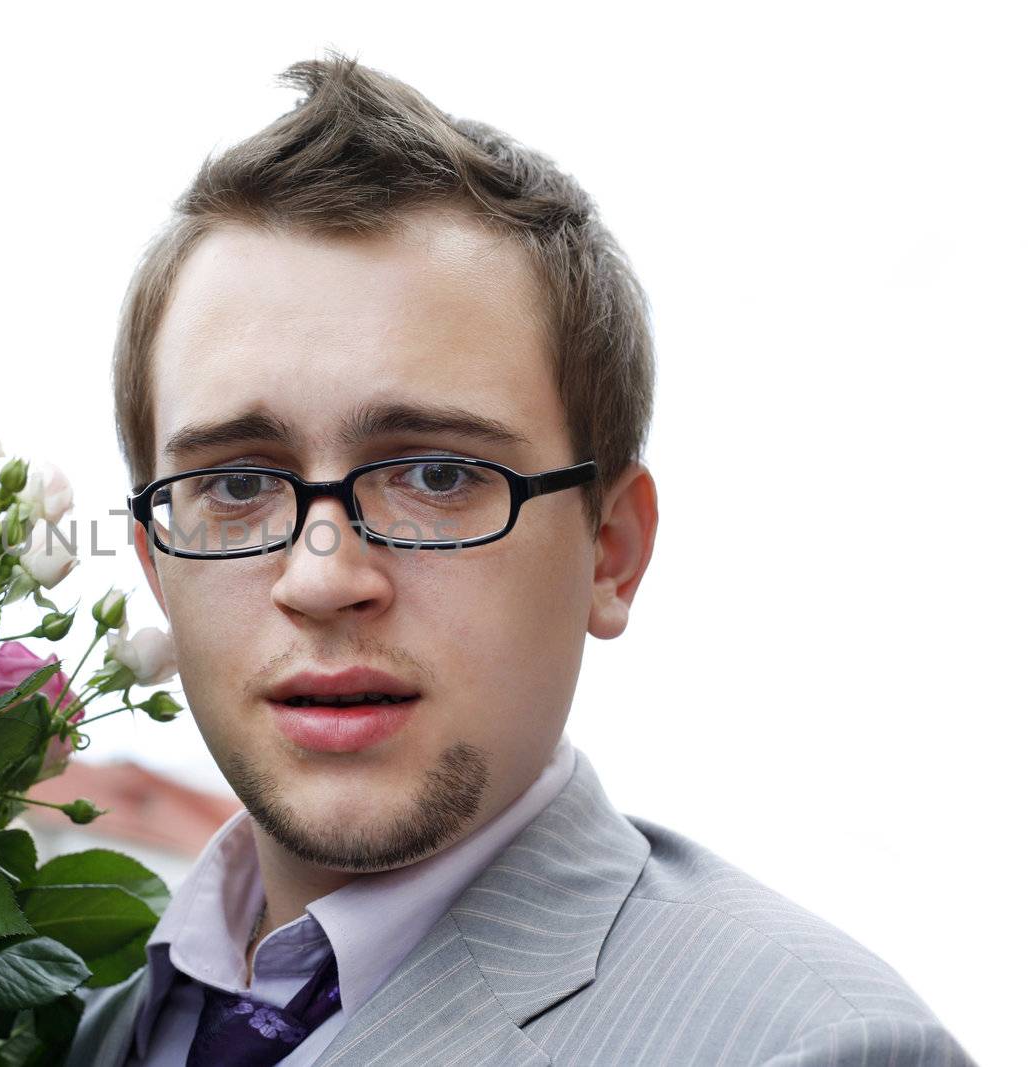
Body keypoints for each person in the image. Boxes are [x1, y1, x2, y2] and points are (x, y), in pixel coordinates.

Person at [68, 51, 975, 1066]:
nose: (322, 577)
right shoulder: (63, 1024)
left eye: (439, 474)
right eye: (236, 485)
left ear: (611, 552)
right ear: (154, 563)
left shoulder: (811, 1045)